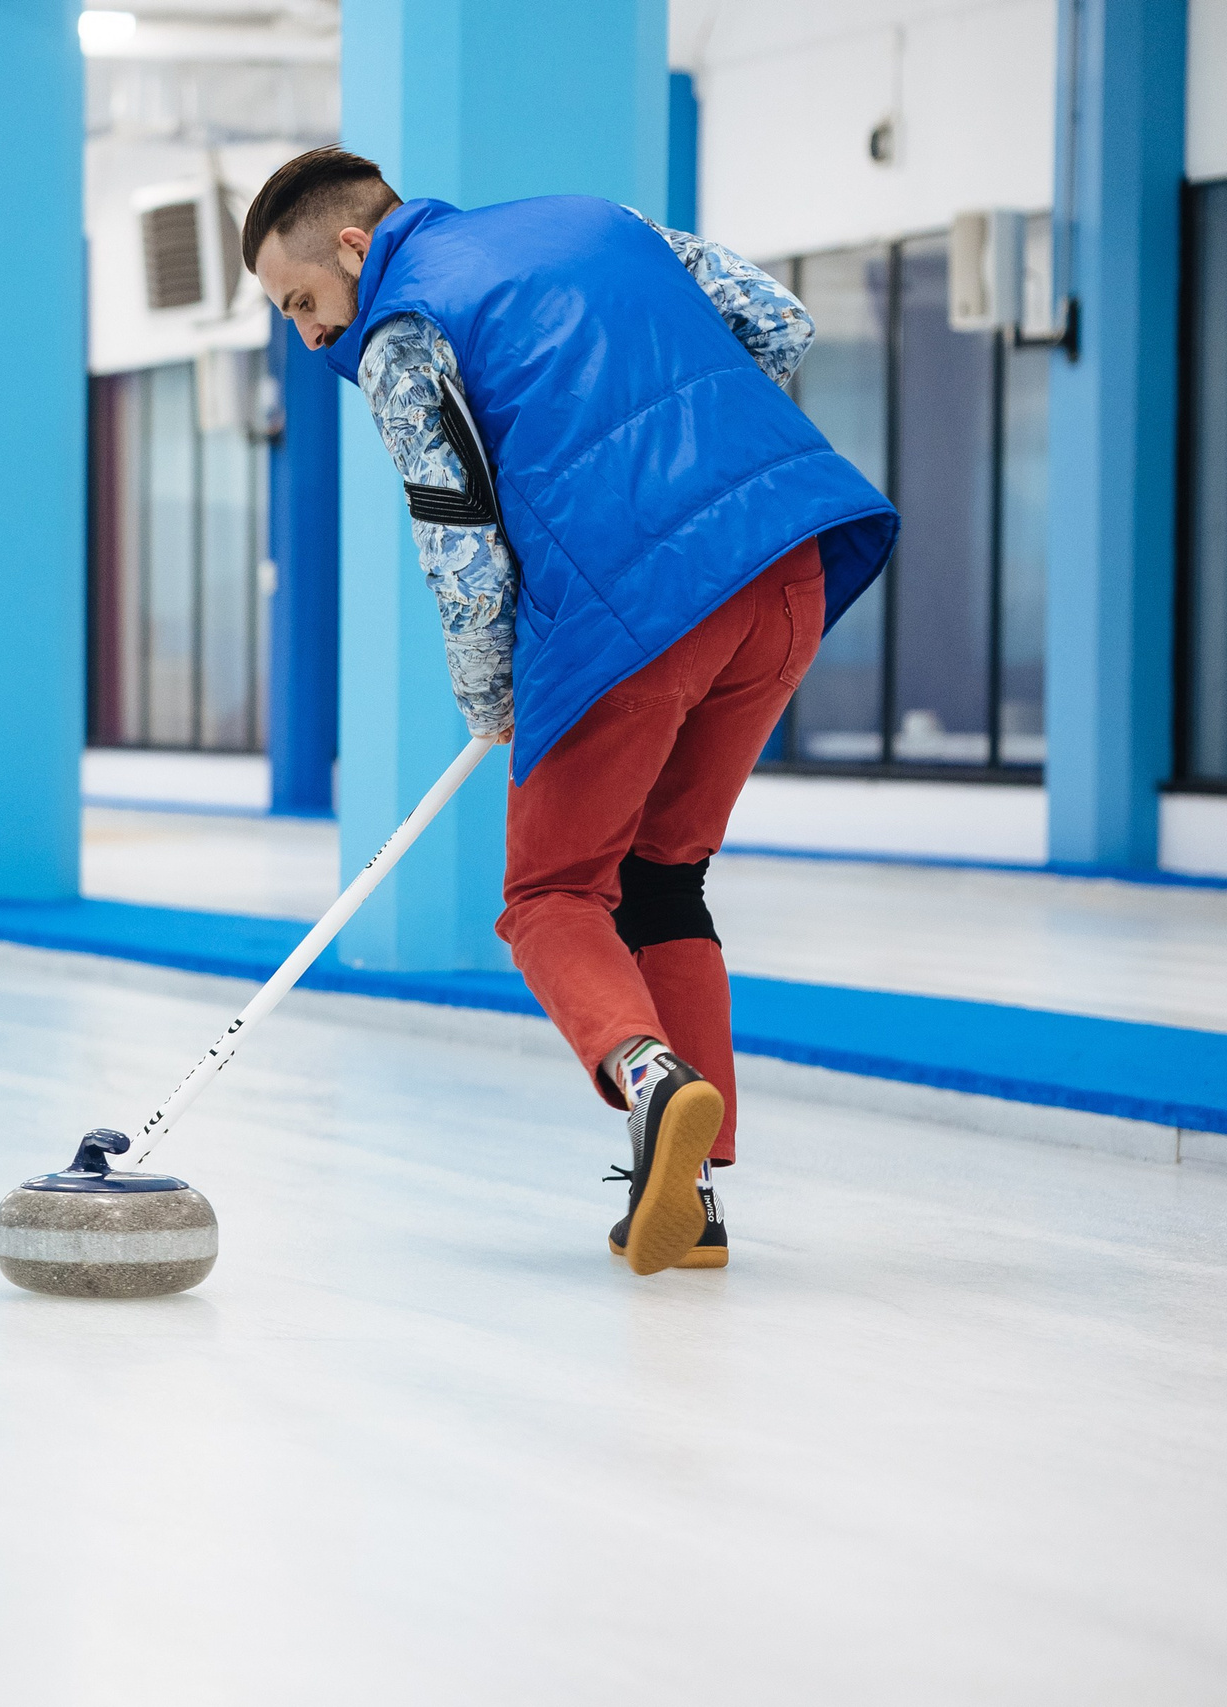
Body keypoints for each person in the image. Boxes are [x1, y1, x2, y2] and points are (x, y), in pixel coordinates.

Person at [243, 147, 898, 1276]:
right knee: (662, 877)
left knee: (551, 894)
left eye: (303, 303)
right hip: (786, 567)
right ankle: (685, 1206)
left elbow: (457, 545)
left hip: (632, 610)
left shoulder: (403, 334)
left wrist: (492, 694)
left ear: (355, 246)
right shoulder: (600, 219)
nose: (308, 337)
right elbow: (776, 321)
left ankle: (650, 1081)